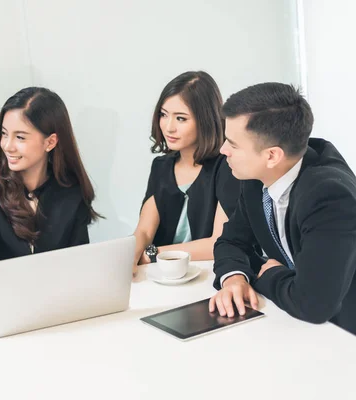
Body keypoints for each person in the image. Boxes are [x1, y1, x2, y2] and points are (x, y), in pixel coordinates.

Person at [209, 82, 356, 335]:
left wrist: (268, 275)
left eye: (233, 144)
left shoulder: (329, 196)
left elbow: (314, 303)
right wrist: (235, 278)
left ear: (272, 156)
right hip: (297, 324)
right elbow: (230, 242)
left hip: (342, 334)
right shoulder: (257, 180)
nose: (223, 151)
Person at [0, 87, 101, 298]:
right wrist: (14, 296)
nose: (7, 146)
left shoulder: (71, 191)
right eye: (3, 134)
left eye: (20, 137)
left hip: (52, 302)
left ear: (50, 142)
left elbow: (77, 261)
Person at [133, 71, 240, 267]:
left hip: (210, 274)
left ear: (206, 120)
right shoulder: (161, 166)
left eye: (181, 118)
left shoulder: (227, 165)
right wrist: (130, 253)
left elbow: (217, 243)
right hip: (164, 274)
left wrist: (154, 254)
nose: (169, 127)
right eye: (164, 115)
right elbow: (145, 231)